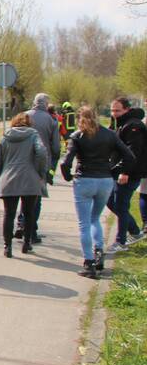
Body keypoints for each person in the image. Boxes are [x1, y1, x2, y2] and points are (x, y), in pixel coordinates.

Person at [60, 106, 135, 279]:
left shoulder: (77, 136)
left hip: (84, 179)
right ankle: (99, 252)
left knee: (84, 223)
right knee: (95, 218)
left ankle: (88, 263)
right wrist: (115, 170)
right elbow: (129, 156)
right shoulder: (110, 135)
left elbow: (66, 162)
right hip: (104, 180)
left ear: (79, 118)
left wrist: (68, 176)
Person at [0, 112, 48, 257]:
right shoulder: (33, 135)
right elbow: (42, 152)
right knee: (29, 213)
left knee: (9, 214)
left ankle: (7, 246)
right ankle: (27, 243)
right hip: (29, 178)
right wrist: (40, 172)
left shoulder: (5, 137)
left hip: (8, 178)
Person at [15, 93, 61, 243]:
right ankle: (32, 232)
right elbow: (56, 147)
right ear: (46, 104)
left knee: (23, 195)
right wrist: (52, 165)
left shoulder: (24, 116)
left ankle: (21, 224)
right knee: (36, 198)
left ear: (34, 102)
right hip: (41, 163)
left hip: (22, 161)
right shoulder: (51, 120)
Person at [105, 97, 147, 252]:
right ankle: (135, 231)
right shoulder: (120, 123)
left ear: (127, 110)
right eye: (112, 110)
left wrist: (125, 172)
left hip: (129, 173)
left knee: (121, 205)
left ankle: (120, 242)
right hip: (118, 170)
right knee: (111, 201)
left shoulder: (133, 126)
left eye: (117, 110)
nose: (114, 113)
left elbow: (133, 152)